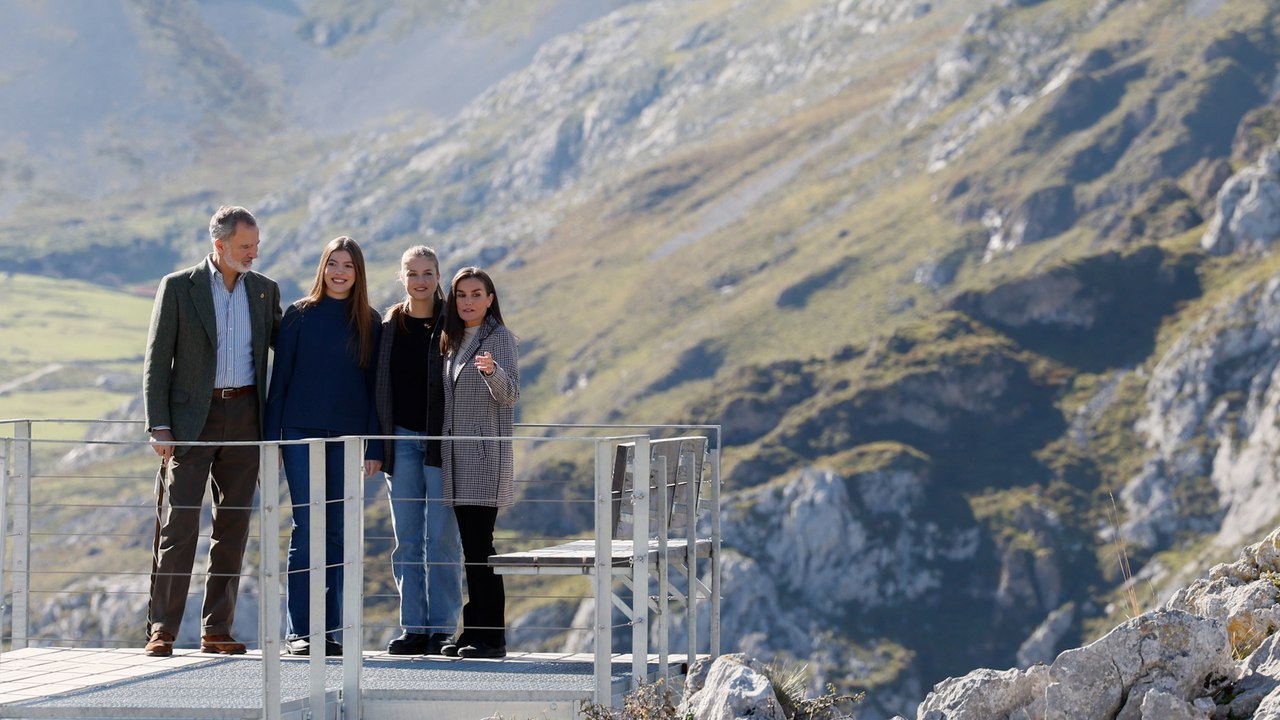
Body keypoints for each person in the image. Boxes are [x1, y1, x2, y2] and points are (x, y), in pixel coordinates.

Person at [142, 205, 282, 657]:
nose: (254, 253)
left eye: (256, 245)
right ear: (219, 245)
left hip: (246, 418)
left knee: (233, 527)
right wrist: (160, 425)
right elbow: (157, 360)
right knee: (179, 526)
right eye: (246, 246)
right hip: (189, 423)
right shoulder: (178, 287)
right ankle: (162, 629)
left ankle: (216, 629)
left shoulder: (264, 290)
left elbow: (288, 347)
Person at [265, 236, 383, 656]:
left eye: (348, 266)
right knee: (307, 527)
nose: (339, 272)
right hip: (300, 434)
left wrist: (374, 446)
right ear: (323, 268)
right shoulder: (299, 315)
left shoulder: (370, 321)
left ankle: (328, 632)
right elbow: (280, 379)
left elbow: (375, 389)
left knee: (336, 531)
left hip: (348, 439)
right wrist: (273, 439)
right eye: (333, 264)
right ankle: (300, 632)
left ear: (358, 272)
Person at [374, 245, 462, 656]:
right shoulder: (390, 324)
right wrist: (378, 444)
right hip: (401, 441)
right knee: (407, 540)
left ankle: (442, 629)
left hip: (443, 444)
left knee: (442, 538)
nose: (420, 280)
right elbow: (378, 386)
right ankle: (413, 627)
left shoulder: (455, 321)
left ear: (439, 276)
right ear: (402, 277)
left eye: (428, 273)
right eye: (413, 273)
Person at [438, 267, 519, 660]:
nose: (468, 301)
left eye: (476, 294)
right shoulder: (452, 339)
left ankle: (491, 638)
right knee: (472, 548)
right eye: (461, 295)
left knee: (480, 547)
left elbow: (510, 394)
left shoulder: (499, 337)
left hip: (484, 458)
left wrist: (492, 371)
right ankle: (474, 631)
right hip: (457, 459)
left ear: (489, 299)